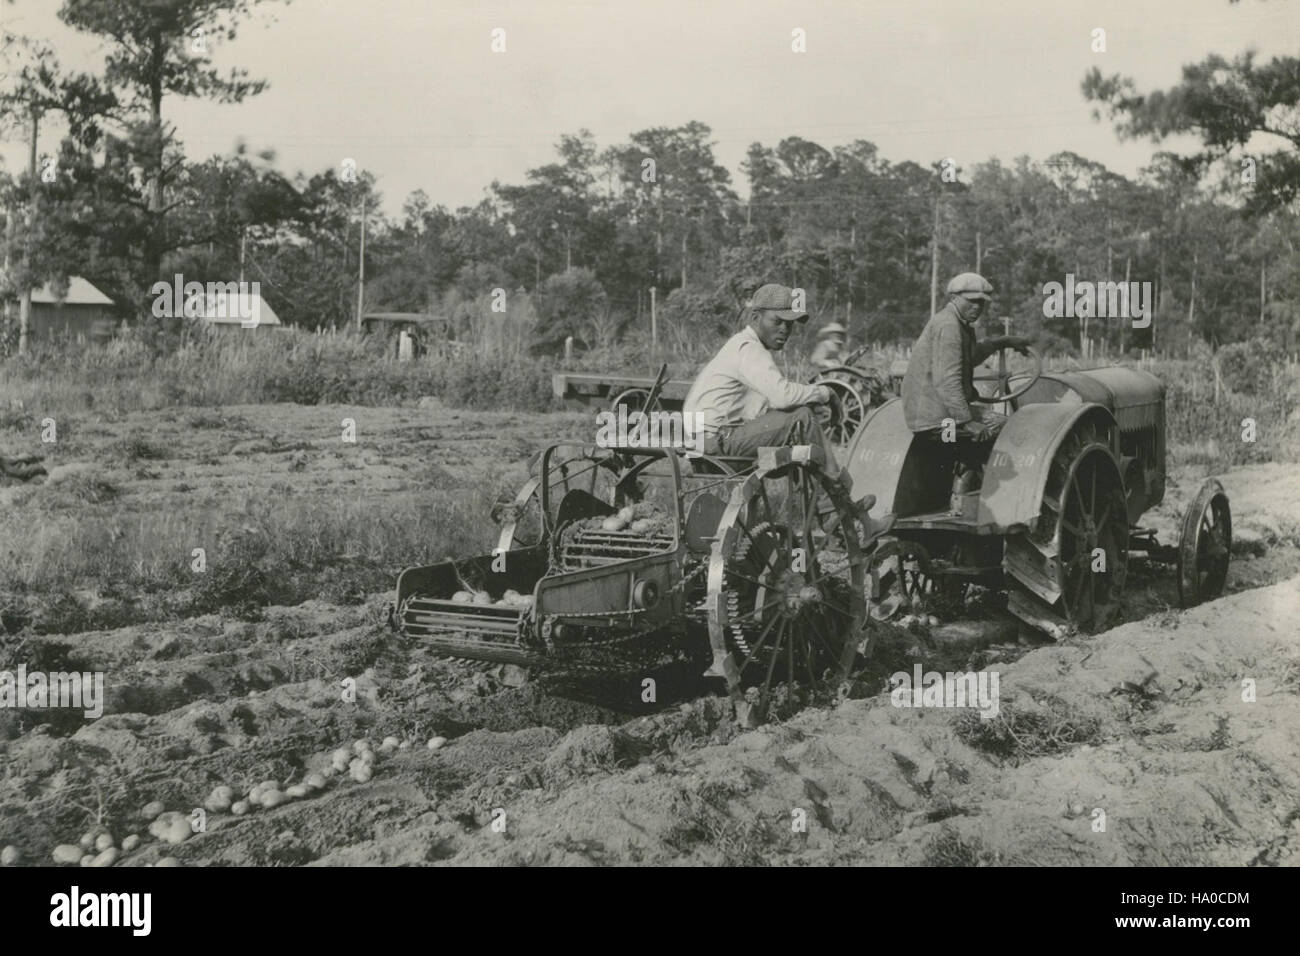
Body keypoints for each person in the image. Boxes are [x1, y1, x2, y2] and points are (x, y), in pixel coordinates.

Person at [684, 283, 892, 536]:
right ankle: (835, 511)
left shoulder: (741, 347)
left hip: (709, 444)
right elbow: (782, 396)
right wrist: (825, 393)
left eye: (790, 324)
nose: (785, 329)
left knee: (798, 440)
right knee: (801, 419)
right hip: (716, 445)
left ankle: (840, 513)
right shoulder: (749, 350)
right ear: (755, 317)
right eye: (778, 321)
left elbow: (769, 404)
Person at [902, 272, 1032, 487]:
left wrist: (1003, 342)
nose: (977, 307)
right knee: (1006, 425)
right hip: (939, 423)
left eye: (982, 302)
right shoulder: (949, 326)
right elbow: (948, 381)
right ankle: (983, 489)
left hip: (935, 413)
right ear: (954, 297)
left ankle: (968, 481)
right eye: (972, 301)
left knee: (984, 430)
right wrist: (966, 422)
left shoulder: (958, 323)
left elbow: (969, 357)